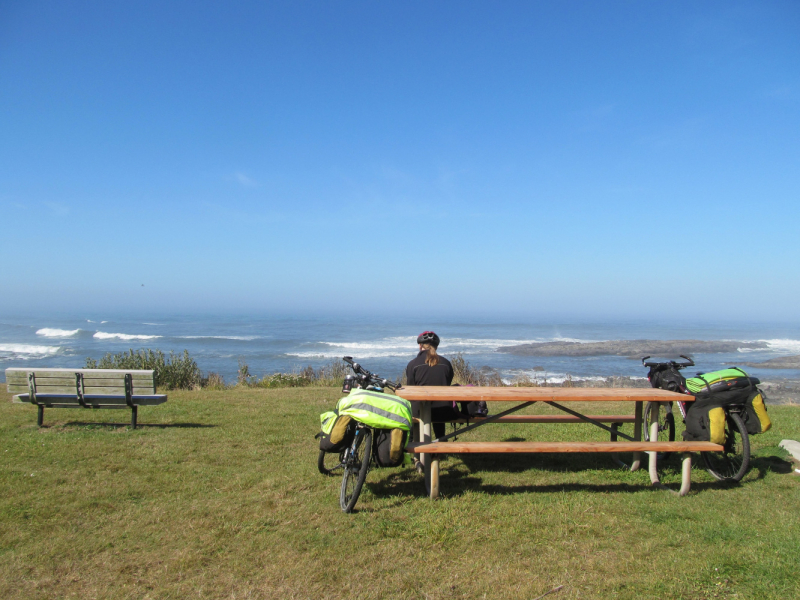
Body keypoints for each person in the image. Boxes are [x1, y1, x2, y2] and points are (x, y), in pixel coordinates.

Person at [405, 331, 460, 443]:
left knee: (412, 408)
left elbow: (410, 389)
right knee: (439, 406)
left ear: (420, 346)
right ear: (436, 346)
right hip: (444, 411)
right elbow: (447, 383)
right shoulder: (446, 363)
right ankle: (441, 442)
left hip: (419, 412)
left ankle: (413, 445)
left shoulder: (413, 364)